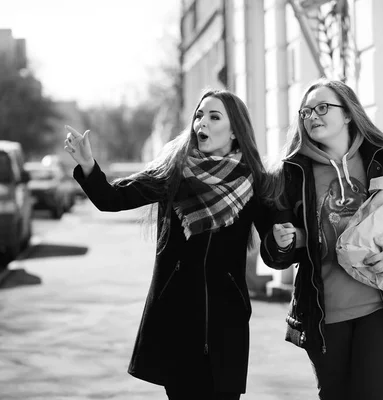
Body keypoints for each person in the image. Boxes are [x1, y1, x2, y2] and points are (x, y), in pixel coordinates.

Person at [64, 89, 275, 400]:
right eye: (199, 116)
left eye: (214, 117)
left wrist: (283, 242)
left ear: (234, 131)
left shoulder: (254, 181)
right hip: (177, 320)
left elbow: (274, 251)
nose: (201, 122)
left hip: (226, 323)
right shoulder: (174, 172)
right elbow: (113, 198)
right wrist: (88, 167)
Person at [260, 79, 383, 400]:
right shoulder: (291, 173)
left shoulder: (382, 160)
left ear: (348, 114)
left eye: (323, 108)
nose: (312, 116)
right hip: (325, 316)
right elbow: (275, 255)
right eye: (306, 112)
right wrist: (284, 241)